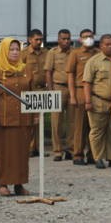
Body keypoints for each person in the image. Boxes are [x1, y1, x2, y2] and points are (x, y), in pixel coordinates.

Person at [0, 38, 34, 196]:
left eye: (17, 49)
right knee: (4, 152)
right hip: (4, 119)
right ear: (4, 52)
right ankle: (3, 183)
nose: (14, 52)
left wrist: (35, 114)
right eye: (11, 49)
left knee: (22, 152)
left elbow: (32, 93)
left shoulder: (26, 69)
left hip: (23, 118)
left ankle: (19, 184)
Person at [83, 34, 111, 169]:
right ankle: (97, 157)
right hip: (98, 100)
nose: (110, 46)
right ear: (101, 46)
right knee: (97, 131)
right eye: (107, 44)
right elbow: (87, 83)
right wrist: (87, 101)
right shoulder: (93, 61)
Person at [66, 29, 99, 165]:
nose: (88, 39)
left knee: (94, 126)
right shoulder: (75, 53)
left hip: (95, 92)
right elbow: (70, 75)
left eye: (90, 36)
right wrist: (72, 96)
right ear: (80, 39)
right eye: (85, 37)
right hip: (80, 91)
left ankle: (92, 154)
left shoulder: (98, 53)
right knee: (79, 125)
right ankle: (78, 154)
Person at [44, 28, 73, 161]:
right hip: (58, 87)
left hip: (72, 89)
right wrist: (50, 91)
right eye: (63, 39)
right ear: (58, 39)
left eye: (68, 38)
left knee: (72, 121)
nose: (66, 41)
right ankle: (57, 150)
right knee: (56, 122)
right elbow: (48, 72)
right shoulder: (53, 52)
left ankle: (71, 149)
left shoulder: (74, 52)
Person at [22, 29, 47, 157]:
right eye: (36, 39)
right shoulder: (24, 54)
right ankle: (30, 147)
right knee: (31, 119)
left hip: (43, 89)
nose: (39, 42)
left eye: (40, 39)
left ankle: (39, 147)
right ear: (30, 40)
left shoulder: (46, 53)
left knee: (40, 120)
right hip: (30, 90)